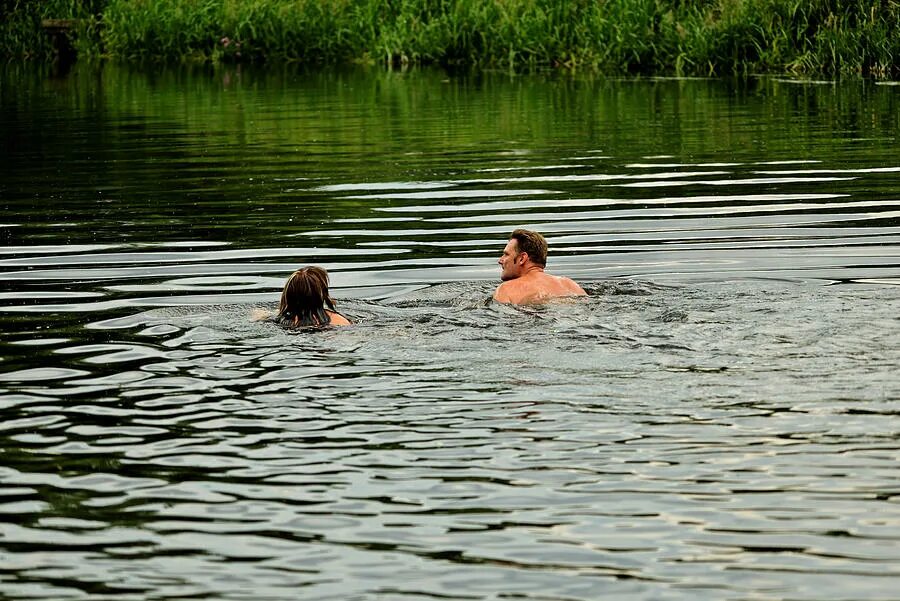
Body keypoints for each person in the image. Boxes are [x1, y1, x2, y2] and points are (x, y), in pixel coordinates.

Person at [493, 229, 587, 304]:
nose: (500, 260)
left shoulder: (506, 289)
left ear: (522, 258)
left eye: (506, 254)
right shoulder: (569, 284)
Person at [261, 266, 351, 327]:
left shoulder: (278, 319)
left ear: (288, 294)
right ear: (322, 294)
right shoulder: (340, 321)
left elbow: (257, 314)